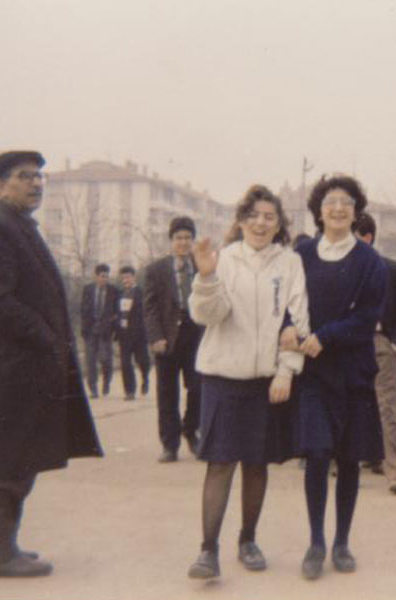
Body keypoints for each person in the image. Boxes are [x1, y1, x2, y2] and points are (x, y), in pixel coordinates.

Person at [0, 150, 103, 577]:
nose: (35, 183)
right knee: (8, 463)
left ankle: (0, 544)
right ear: (0, 186)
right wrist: (45, 336)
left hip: (27, 367)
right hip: (13, 370)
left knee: (19, 459)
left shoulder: (18, 226)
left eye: (39, 176)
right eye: (24, 176)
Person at [185, 185, 309, 579]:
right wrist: (206, 277)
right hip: (222, 378)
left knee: (256, 464)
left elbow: (297, 319)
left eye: (269, 217)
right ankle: (207, 550)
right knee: (220, 463)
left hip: (265, 382)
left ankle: (248, 540)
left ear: (279, 224)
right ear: (240, 221)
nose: (260, 223)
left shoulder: (289, 263)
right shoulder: (223, 259)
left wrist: (285, 371)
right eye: (253, 215)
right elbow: (208, 315)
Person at [292, 175, 386, 580]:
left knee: (349, 459)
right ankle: (316, 542)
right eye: (330, 201)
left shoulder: (370, 261)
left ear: (356, 210)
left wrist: (325, 337)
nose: (338, 208)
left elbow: (368, 316)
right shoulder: (301, 254)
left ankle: (342, 542)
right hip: (313, 374)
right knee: (316, 453)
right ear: (318, 210)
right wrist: (293, 333)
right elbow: (288, 303)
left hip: (353, 372)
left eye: (346, 201)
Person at [354, 212, 396, 495]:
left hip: (379, 343)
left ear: (367, 238)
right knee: (346, 403)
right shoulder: (336, 267)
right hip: (347, 343)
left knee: (388, 406)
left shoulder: (391, 269)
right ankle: (343, 462)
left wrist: (395, 343)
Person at [143, 216, 203, 463]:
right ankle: (170, 444)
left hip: (196, 336)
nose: (183, 243)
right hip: (167, 339)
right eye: (179, 238)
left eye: (188, 238)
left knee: (198, 388)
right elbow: (149, 308)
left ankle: (191, 430)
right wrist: (156, 337)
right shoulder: (156, 270)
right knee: (167, 393)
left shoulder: (201, 266)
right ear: (171, 241)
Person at [80, 263, 119, 398]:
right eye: (102, 276)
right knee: (90, 361)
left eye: (107, 276)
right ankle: (93, 389)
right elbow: (83, 309)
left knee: (105, 360)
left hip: (105, 331)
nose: (105, 279)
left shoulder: (114, 291)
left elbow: (117, 311)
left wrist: (113, 327)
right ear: (96, 276)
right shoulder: (88, 289)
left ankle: (106, 382)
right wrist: (84, 328)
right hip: (90, 330)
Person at [116, 265, 151, 400]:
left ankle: (145, 377)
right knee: (125, 363)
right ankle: (129, 391)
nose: (125, 280)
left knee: (142, 361)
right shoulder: (119, 294)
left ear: (133, 277)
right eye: (123, 278)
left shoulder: (141, 293)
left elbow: (147, 312)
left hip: (139, 334)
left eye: (128, 277)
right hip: (124, 334)